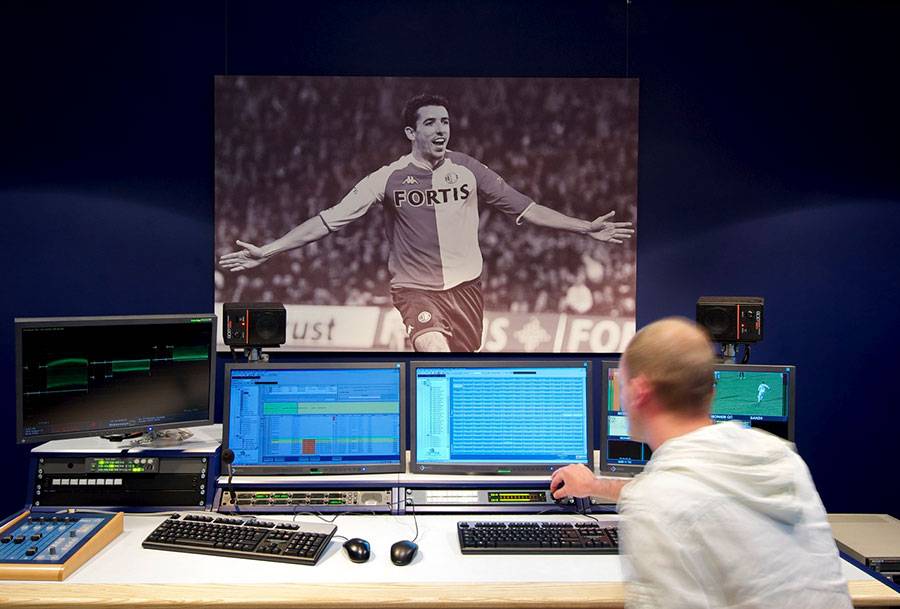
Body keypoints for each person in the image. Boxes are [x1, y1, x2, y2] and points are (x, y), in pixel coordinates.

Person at [219, 93, 634, 352]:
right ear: (410, 132)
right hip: (415, 290)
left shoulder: (469, 170)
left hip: (467, 289)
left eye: (445, 122)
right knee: (433, 350)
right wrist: (268, 250)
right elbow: (328, 221)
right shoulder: (387, 179)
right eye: (430, 122)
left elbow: (527, 208)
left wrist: (586, 227)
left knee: (460, 363)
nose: (440, 130)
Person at [551, 318, 851, 609]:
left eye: (622, 386)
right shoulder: (783, 459)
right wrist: (595, 486)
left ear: (640, 392)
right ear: (712, 392)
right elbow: (696, 489)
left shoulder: (655, 507)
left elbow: (672, 498)